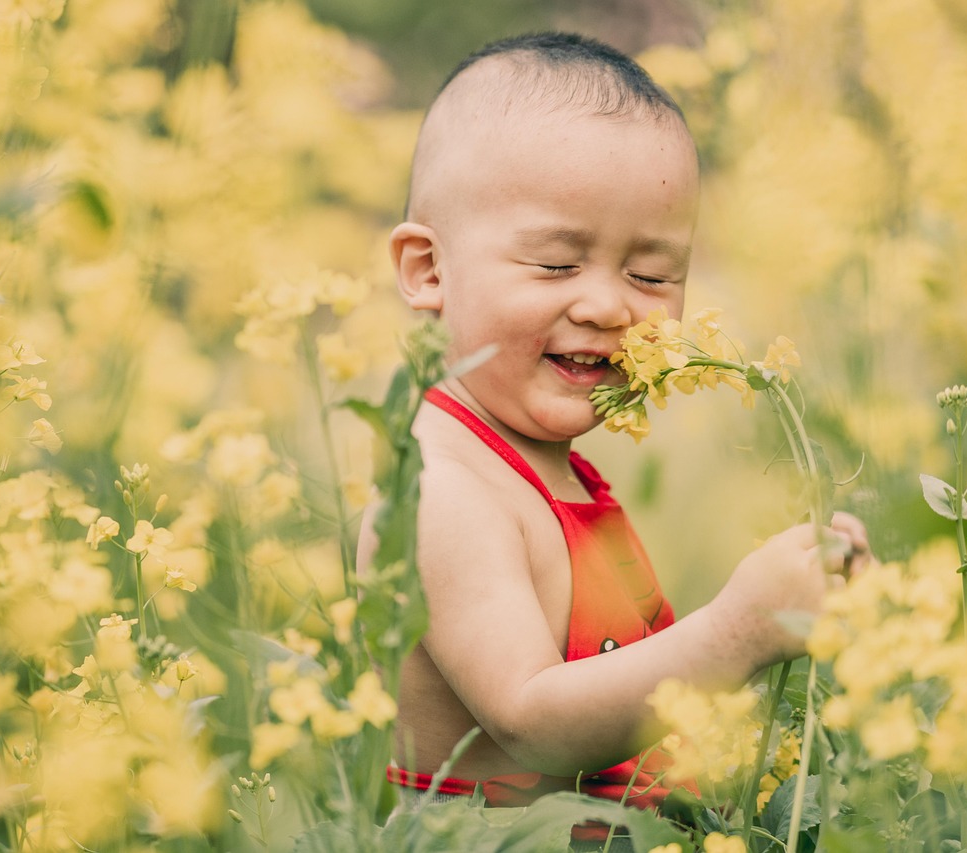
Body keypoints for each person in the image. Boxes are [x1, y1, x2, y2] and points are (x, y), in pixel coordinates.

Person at [360, 30, 870, 843]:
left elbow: (628, 699)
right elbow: (531, 721)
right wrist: (737, 629)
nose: (607, 306)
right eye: (558, 264)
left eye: (651, 274)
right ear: (428, 270)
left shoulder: (554, 474)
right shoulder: (441, 487)